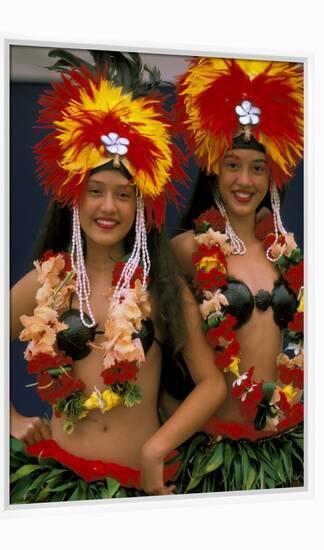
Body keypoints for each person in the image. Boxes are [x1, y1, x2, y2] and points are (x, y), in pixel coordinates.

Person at [9, 52, 227, 503]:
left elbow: (211, 383)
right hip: (57, 482)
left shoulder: (159, 289)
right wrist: (8, 419)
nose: (108, 207)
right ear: (74, 198)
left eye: (124, 195)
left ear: (141, 207)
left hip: (137, 487)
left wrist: (156, 448)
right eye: (95, 191)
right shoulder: (47, 284)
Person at [171, 57, 304, 492]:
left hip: (288, 446)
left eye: (257, 167)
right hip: (214, 453)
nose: (245, 179)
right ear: (213, 168)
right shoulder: (187, 249)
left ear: (273, 174)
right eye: (232, 164)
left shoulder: (288, 253)